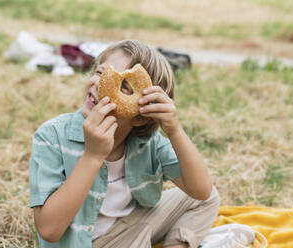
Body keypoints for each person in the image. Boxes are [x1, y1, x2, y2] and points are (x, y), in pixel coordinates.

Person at [29, 39, 220, 248]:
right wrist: (93, 156)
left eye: (124, 87)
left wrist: (174, 130)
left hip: (132, 226)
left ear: (140, 117)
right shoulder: (52, 135)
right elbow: (49, 230)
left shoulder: (149, 143)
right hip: (84, 243)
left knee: (208, 198)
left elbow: (201, 191)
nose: (100, 85)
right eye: (101, 73)